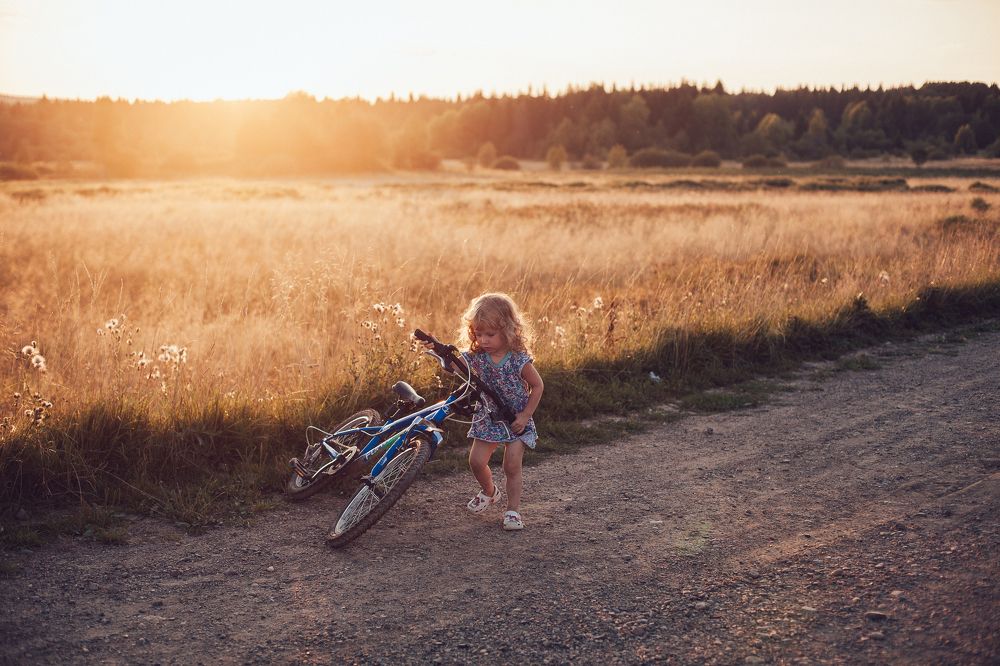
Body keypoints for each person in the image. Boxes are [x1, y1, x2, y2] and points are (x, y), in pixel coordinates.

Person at [454, 292, 543, 531]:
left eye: (490, 334)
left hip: (515, 419)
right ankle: (490, 491)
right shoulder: (478, 358)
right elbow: (455, 366)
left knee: (511, 466)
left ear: (508, 330)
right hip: (488, 417)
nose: (483, 340)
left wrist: (525, 416)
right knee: (475, 461)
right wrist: (438, 350)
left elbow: (537, 386)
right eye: (478, 334)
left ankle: (512, 511)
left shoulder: (518, 360)